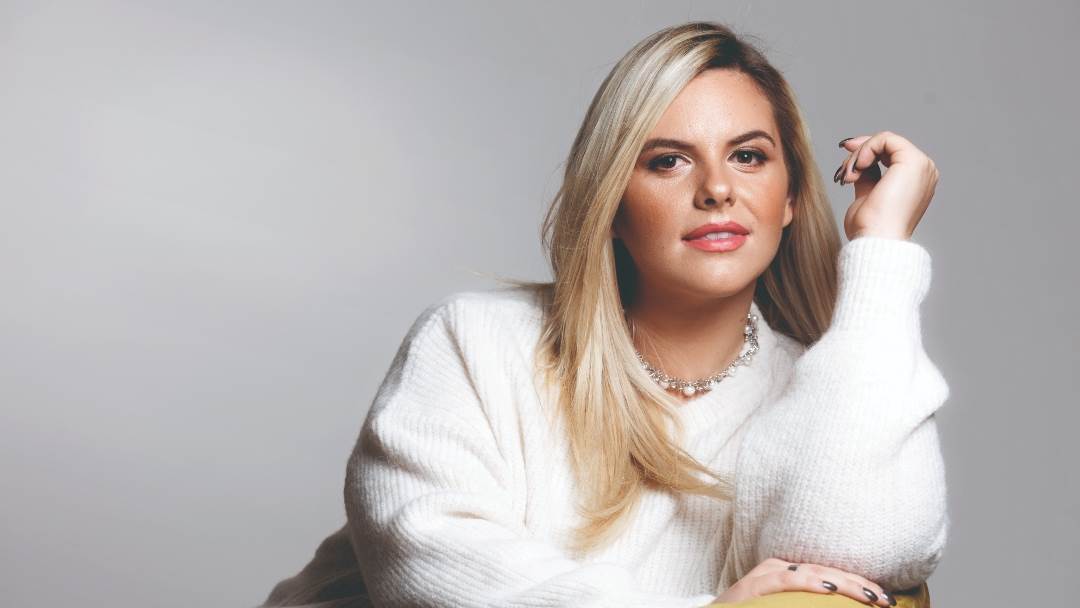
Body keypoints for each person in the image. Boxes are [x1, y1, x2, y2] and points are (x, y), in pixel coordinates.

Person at [258, 20, 947, 608]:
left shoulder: (825, 395)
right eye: (668, 161)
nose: (717, 189)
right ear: (611, 201)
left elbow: (864, 556)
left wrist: (881, 250)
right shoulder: (476, 342)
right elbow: (430, 568)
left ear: (790, 197)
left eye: (747, 156)